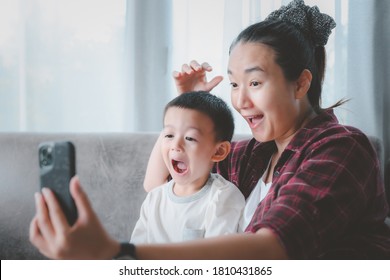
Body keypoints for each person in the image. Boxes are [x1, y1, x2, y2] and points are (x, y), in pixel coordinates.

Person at [30, 0, 390, 259]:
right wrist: (189, 110)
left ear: (300, 84)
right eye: (233, 85)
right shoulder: (253, 155)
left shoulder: (341, 149)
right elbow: (161, 184)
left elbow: (271, 250)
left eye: (255, 83)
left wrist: (117, 256)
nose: (240, 101)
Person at [130, 91, 245, 244]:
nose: (175, 146)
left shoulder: (223, 197)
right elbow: (134, 253)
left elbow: (216, 259)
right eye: (169, 135)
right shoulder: (154, 198)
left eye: (190, 138)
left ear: (218, 151)